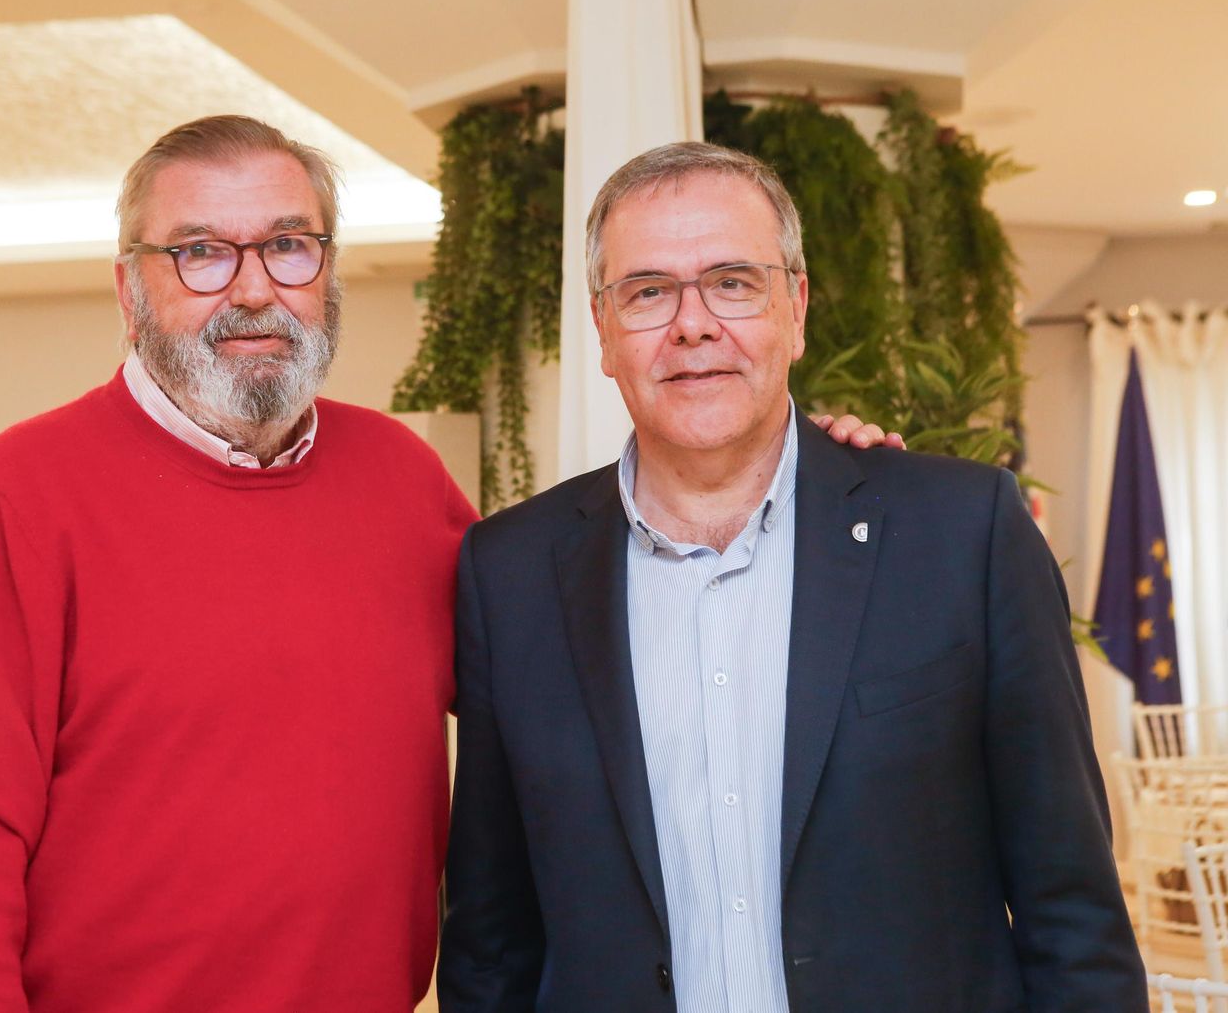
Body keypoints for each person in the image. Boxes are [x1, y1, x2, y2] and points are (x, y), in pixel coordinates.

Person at [0, 116, 894, 1012]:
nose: (254, 289)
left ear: (326, 272)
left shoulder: (398, 480)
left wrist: (786, 478)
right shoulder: (20, 499)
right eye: (201, 255)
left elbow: (576, 649)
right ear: (131, 292)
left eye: (288, 246)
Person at [437, 142, 1146, 1012]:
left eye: (733, 282)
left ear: (797, 308)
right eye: (649, 291)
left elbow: (1070, 910)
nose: (692, 324)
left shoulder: (960, 534)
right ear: (604, 333)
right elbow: (490, 941)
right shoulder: (510, 574)